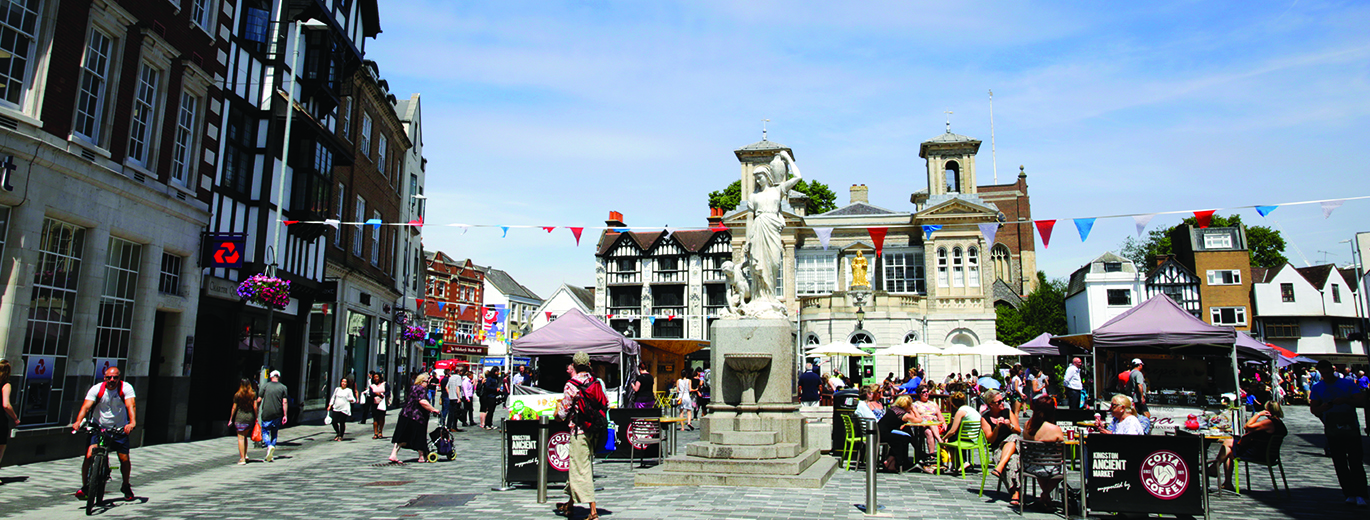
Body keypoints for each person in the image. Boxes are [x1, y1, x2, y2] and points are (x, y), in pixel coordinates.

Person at [71, 366, 137, 501]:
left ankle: (125, 485)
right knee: (89, 456)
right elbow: (86, 407)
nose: (112, 380)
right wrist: (78, 421)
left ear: (119, 378)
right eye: (109, 377)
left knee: (124, 459)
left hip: (119, 428)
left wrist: (132, 422)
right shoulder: (96, 389)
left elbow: (131, 405)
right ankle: (85, 487)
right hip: (99, 427)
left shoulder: (126, 388)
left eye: (115, 377)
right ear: (104, 377)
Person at [1310, 359, 1368, 507]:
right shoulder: (1317, 387)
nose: (1326, 376)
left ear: (1333, 370)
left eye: (1328, 372)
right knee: (1339, 462)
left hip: (1350, 426)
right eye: (1323, 373)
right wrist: (1323, 408)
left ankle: (1361, 493)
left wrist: (1346, 400)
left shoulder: (1347, 384)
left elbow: (1361, 401)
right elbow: (1314, 408)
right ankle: (1349, 493)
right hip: (1332, 427)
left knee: (1355, 461)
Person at [555, 352, 602, 520]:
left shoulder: (571, 385)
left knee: (581, 468)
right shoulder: (596, 381)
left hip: (579, 431)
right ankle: (570, 505)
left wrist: (557, 415)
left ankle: (593, 511)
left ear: (574, 365)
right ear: (588, 364)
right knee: (579, 466)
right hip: (594, 430)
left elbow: (563, 412)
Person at [1211, 401, 1287, 491]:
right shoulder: (1279, 423)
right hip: (1269, 454)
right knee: (1228, 451)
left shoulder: (1269, 423)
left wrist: (1258, 414)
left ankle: (1214, 467)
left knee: (1227, 443)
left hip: (1258, 454)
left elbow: (1247, 426)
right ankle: (1226, 482)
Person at [1021, 397, 1066, 510]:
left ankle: (1045, 497)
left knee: (1041, 463)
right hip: (1049, 468)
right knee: (1062, 468)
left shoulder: (1027, 425)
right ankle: (1045, 494)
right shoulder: (1055, 429)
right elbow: (1061, 450)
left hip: (1031, 467)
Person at [981, 389, 1023, 505]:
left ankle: (1000, 467)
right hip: (999, 449)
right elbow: (990, 439)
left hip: (1015, 447)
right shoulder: (985, 418)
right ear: (991, 405)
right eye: (999, 402)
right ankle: (1015, 492)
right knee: (1013, 459)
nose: (1002, 403)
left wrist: (1010, 426)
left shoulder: (1007, 412)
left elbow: (1018, 431)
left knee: (1013, 437)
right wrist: (997, 428)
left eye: (1003, 400)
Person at [389, 373, 441, 463]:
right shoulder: (421, 389)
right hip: (417, 417)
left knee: (402, 436)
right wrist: (434, 409)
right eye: (426, 381)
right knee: (419, 436)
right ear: (421, 382)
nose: (428, 383)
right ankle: (421, 456)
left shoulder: (412, 387)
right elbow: (422, 401)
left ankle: (394, 454)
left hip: (405, 414)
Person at [941, 391, 980, 473]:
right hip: (977, 437)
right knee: (955, 436)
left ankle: (960, 462)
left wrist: (943, 438)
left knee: (951, 439)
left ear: (953, 403)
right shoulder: (970, 409)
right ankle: (960, 462)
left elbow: (953, 431)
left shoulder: (960, 412)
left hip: (968, 438)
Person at [877, 395, 919, 472]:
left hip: (879, 432)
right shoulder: (902, 414)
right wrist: (914, 409)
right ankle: (899, 463)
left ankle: (890, 461)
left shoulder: (894, 409)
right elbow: (919, 420)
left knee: (904, 438)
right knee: (903, 439)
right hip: (883, 435)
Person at [908, 384, 945, 473]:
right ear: (919, 394)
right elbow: (913, 417)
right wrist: (924, 418)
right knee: (929, 426)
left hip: (935, 426)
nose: (926, 393)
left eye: (927, 391)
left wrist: (944, 423)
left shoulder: (933, 404)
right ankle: (939, 441)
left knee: (929, 431)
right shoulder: (915, 405)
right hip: (921, 426)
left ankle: (931, 455)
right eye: (923, 392)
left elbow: (940, 416)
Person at [256, 370, 288, 462]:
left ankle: (269, 445)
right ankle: (271, 450)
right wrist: (285, 415)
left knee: (265, 431)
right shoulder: (283, 387)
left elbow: (259, 400)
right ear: (279, 377)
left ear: (271, 377)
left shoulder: (265, 386)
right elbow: (284, 402)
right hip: (277, 413)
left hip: (267, 413)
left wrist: (256, 409)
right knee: (274, 433)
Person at [227, 379, 258, 465]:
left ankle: (242, 458)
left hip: (240, 418)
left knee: (241, 438)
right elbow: (255, 407)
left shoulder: (238, 395)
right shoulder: (253, 394)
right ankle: (245, 454)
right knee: (245, 437)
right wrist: (256, 417)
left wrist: (231, 419)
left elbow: (234, 407)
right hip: (249, 418)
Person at [0, 360, 16, 469]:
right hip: (0, 420)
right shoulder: (6, 385)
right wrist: (15, 418)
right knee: (1, 447)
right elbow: (6, 405)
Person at [370, 373, 390, 438]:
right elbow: (371, 393)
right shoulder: (372, 386)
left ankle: (380, 431)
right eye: (374, 377)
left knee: (381, 417)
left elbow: (388, 392)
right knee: (375, 418)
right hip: (374, 403)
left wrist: (382, 395)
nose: (375, 379)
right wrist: (376, 394)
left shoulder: (384, 384)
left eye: (377, 377)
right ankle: (375, 433)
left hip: (382, 403)